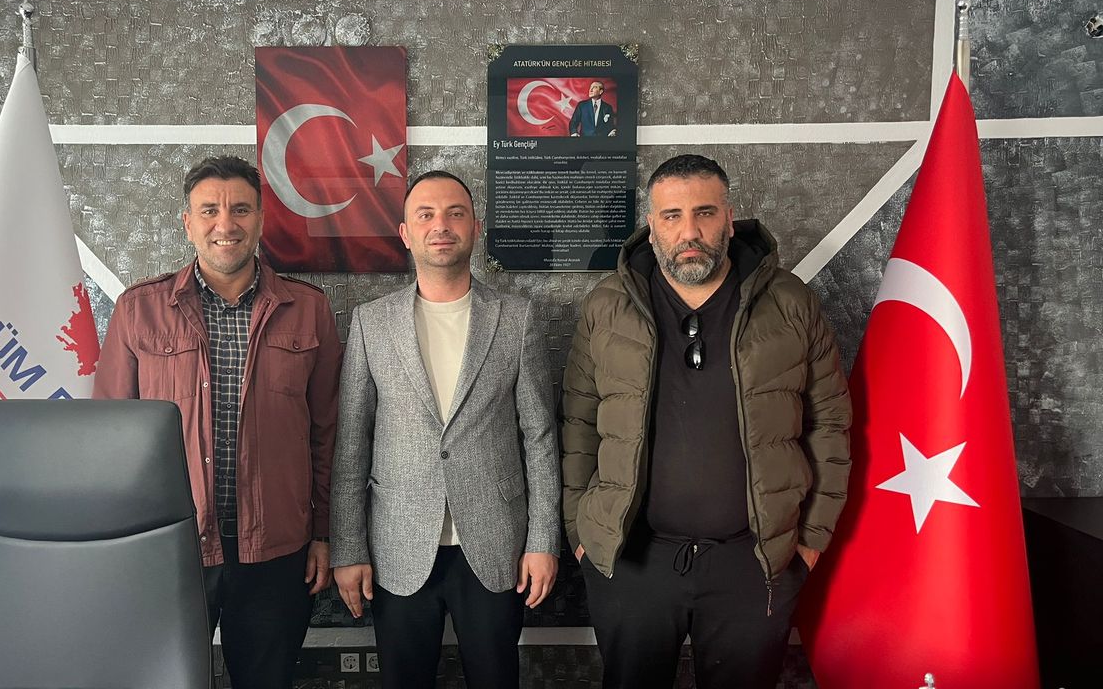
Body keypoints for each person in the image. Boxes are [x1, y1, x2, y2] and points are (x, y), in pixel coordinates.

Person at [560, 154, 851, 689]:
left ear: (729, 218)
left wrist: (808, 541)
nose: (689, 232)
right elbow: (578, 421)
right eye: (672, 216)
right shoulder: (607, 305)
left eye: (705, 213)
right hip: (632, 561)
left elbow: (829, 423)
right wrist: (583, 532)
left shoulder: (791, 303)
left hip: (754, 562)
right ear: (652, 227)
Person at [94, 155, 341, 689]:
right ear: (188, 222)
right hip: (171, 546)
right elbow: (109, 441)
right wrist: (120, 545)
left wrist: (323, 533)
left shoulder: (309, 310)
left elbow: (328, 435)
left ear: (261, 219)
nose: (225, 224)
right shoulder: (138, 310)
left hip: (278, 550)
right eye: (209, 210)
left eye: (240, 209)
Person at [330, 170, 561, 689]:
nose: (441, 226)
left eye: (455, 213)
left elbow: (540, 439)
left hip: (497, 544)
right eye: (426, 215)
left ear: (475, 227)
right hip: (397, 545)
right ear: (405, 233)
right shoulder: (371, 322)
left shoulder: (517, 318)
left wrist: (544, 540)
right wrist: (348, 549)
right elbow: (351, 445)